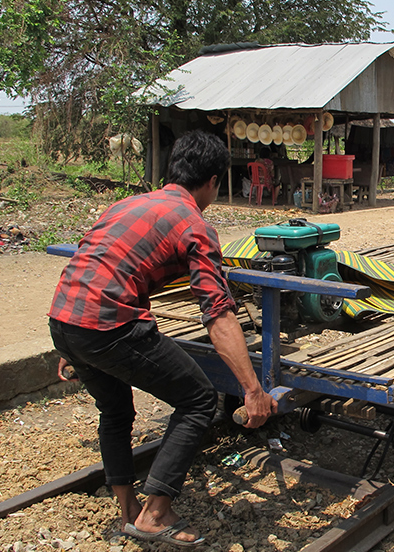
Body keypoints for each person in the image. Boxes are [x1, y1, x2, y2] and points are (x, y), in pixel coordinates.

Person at [48, 130, 277, 548]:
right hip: (109, 326)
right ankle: (156, 514)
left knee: (115, 411)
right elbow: (218, 312)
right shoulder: (194, 225)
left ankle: (128, 511)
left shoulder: (126, 205)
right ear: (213, 181)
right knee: (198, 400)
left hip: (65, 318)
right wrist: (252, 388)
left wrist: (71, 345)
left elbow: (90, 262)